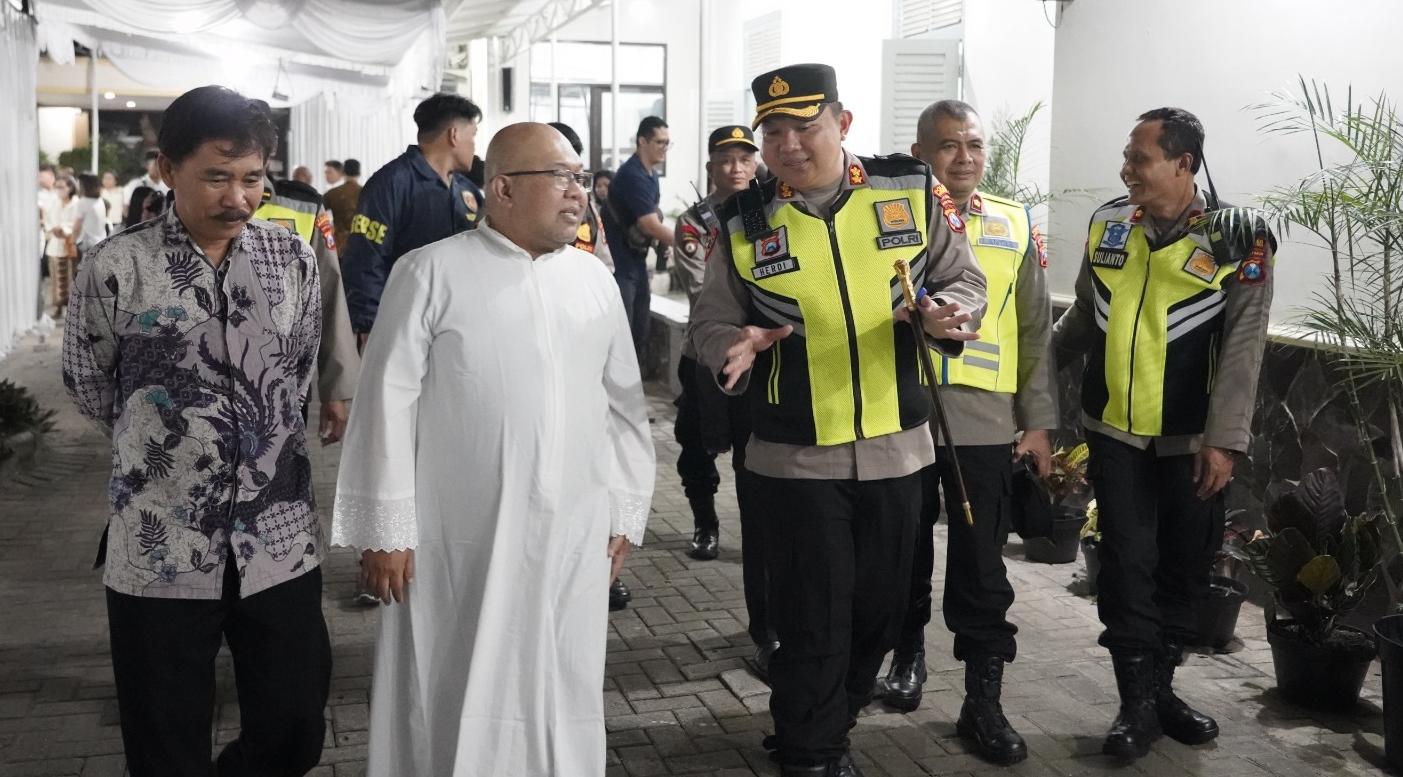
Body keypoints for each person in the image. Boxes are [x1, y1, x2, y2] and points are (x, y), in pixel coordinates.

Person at [687, 63, 987, 777]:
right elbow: (708, 322)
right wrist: (732, 343)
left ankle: (829, 718)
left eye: (804, 127)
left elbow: (963, 277)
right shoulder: (742, 219)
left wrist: (946, 312)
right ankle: (810, 751)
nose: (787, 144)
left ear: (842, 123)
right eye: (773, 132)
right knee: (813, 615)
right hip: (794, 456)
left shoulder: (906, 189)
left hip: (898, 449)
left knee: (882, 611)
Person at [332, 122, 654, 777]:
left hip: (573, 531)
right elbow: (384, 406)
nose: (579, 192)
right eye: (560, 177)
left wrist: (624, 511)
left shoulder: (592, 280)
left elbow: (623, 403)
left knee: (561, 676)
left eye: (579, 177)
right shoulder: (428, 272)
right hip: (458, 537)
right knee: (453, 678)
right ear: (502, 188)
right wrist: (384, 531)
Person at [62, 84, 329, 777]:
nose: (238, 198)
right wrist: (162, 444)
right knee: (163, 741)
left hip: (276, 538)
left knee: (296, 724)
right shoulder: (117, 265)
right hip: (160, 543)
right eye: (216, 177)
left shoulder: (291, 259)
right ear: (167, 168)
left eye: (252, 178)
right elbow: (90, 382)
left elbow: (297, 371)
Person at [1052, 107, 1273, 760]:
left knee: (1182, 568)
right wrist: (1029, 380)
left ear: (1183, 163)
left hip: (1190, 442)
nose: (1126, 169)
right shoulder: (1108, 223)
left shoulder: (1238, 236)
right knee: (1126, 566)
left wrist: (1224, 441)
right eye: (1127, 156)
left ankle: (1158, 692)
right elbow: (1083, 315)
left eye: (1139, 158)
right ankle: (1135, 704)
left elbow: (1244, 344)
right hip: (1114, 433)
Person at [871, 99, 1058, 765]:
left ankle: (983, 700)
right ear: (920, 155)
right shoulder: (887, 219)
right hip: (901, 413)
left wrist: (1038, 422)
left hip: (983, 422)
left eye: (974, 144)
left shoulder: (1014, 222)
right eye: (948, 145)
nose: (964, 157)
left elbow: (1034, 328)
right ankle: (907, 653)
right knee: (903, 548)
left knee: (982, 565)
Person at [672, 123, 777, 672]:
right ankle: (705, 522)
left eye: (745, 158)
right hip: (707, 353)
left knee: (749, 456)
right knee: (696, 444)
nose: (737, 167)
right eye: (726, 159)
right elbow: (701, 288)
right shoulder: (697, 221)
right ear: (711, 166)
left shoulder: (768, 211)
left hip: (760, 359)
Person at [342, 93, 484, 340]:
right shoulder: (391, 183)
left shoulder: (467, 192)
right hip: (402, 324)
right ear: (454, 135)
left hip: (456, 322)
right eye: (473, 136)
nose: (474, 146)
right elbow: (366, 257)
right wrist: (369, 326)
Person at [253, 176, 360, 446]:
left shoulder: (304, 206)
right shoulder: (185, 201)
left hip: (282, 387)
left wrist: (335, 390)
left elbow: (326, 294)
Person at [602, 116, 675, 356]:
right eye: (659, 142)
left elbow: (651, 221)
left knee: (639, 331)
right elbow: (650, 224)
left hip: (637, 262)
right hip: (621, 265)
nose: (664, 148)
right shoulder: (632, 175)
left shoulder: (651, 175)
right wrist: (688, 240)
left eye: (667, 143)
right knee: (624, 336)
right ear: (642, 141)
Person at [548, 123, 616, 270]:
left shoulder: (587, 209)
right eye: (561, 175)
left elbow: (604, 264)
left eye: (578, 177)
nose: (575, 191)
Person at [42, 174, 78, 317]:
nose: (59, 190)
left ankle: (72, 310)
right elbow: (48, 220)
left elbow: (76, 223)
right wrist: (53, 229)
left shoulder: (76, 203)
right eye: (57, 187)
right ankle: (57, 307)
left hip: (70, 245)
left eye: (62, 187)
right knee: (56, 279)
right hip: (54, 245)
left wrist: (64, 229)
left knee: (70, 278)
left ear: (70, 188)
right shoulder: (54, 202)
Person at [323, 158, 362, 252]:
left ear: (343, 172)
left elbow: (319, 212)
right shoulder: (366, 193)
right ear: (359, 173)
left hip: (339, 245)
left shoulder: (332, 193)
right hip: (360, 244)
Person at [121, 150, 168, 219]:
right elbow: (126, 209)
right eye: (155, 164)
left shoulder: (168, 185)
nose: (159, 167)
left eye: (161, 164)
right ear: (146, 165)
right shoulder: (136, 185)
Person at [73, 173, 109, 261]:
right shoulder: (100, 201)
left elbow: (77, 227)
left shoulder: (83, 202)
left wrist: (72, 242)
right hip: (101, 242)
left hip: (88, 244)